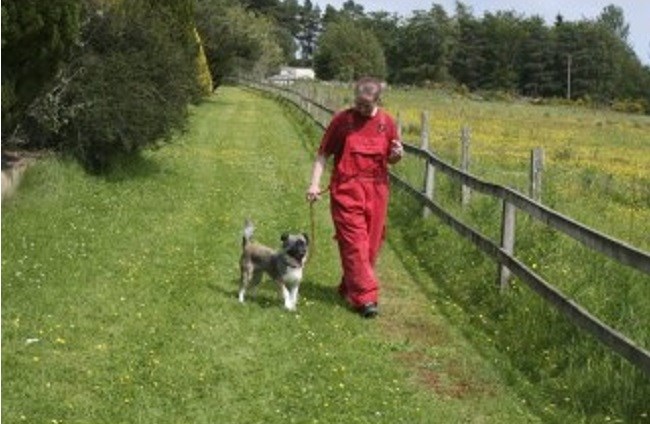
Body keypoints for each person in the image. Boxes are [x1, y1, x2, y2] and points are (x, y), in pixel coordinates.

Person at [306, 77, 403, 318]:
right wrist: (315, 184)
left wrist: (397, 155)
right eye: (357, 103)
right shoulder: (343, 120)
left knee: (371, 246)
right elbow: (323, 154)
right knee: (354, 244)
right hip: (347, 190)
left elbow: (391, 159)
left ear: (378, 101)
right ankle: (366, 299)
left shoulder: (387, 122)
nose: (360, 109)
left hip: (377, 190)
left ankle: (349, 286)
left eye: (366, 105)